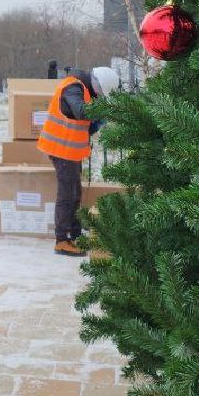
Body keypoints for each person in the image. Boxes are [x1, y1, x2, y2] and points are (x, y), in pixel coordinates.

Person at [36, 65, 119, 257]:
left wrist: (96, 124)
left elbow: (82, 124)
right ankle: (62, 240)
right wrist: (102, 111)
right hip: (61, 149)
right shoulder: (73, 87)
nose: (100, 98)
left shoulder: (85, 90)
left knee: (75, 194)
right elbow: (81, 111)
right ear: (97, 85)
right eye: (102, 95)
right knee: (67, 195)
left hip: (71, 151)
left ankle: (74, 234)